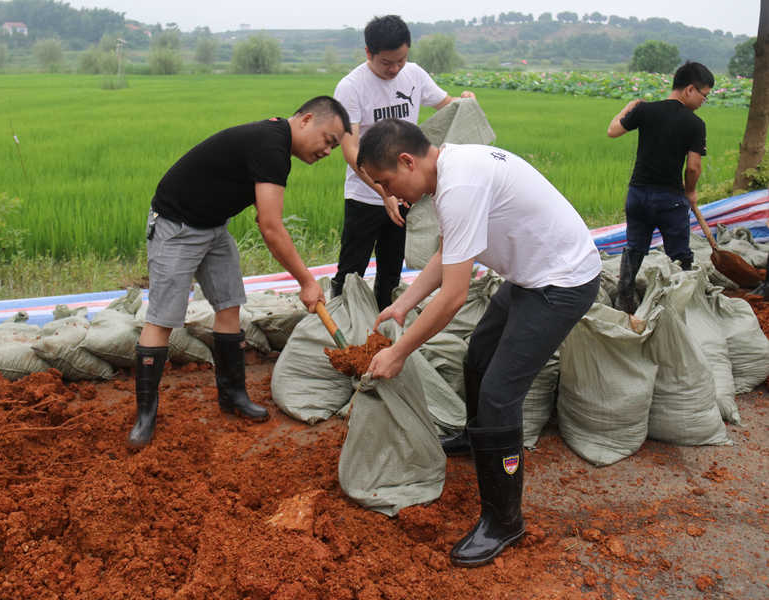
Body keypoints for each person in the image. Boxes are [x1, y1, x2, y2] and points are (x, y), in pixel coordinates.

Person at [357, 119, 601, 568]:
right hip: (532, 274)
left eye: (389, 183)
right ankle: (477, 439)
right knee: (479, 355)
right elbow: (448, 252)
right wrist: (405, 303)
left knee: (499, 395)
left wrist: (398, 351)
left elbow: (453, 297)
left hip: (561, 282)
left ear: (407, 161)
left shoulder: (460, 184)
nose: (395, 197)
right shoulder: (453, 169)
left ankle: (504, 519)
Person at [128, 96, 351, 448]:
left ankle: (232, 395)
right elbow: (271, 226)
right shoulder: (272, 145)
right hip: (176, 224)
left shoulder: (276, 143)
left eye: (334, 147)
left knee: (230, 306)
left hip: (213, 226)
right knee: (163, 318)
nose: (327, 151)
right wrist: (307, 281)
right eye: (328, 140)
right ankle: (145, 416)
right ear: (306, 119)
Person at [331, 14, 474, 310]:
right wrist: (384, 194)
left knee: (392, 270)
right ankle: (343, 326)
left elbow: (447, 105)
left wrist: (464, 101)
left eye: (401, 60)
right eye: (386, 63)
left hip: (405, 189)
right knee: (351, 272)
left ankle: (385, 327)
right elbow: (350, 150)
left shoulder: (415, 75)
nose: (395, 69)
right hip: (366, 194)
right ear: (368, 53)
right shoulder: (351, 87)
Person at [608, 61, 713, 314]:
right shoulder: (695, 124)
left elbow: (612, 131)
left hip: (638, 195)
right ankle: (685, 302)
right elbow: (693, 167)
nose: (703, 102)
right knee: (680, 253)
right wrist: (691, 191)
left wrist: (630, 106)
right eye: (704, 95)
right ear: (689, 89)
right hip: (670, 199)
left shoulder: (646, 111)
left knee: (635, 247)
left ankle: (625, 297)